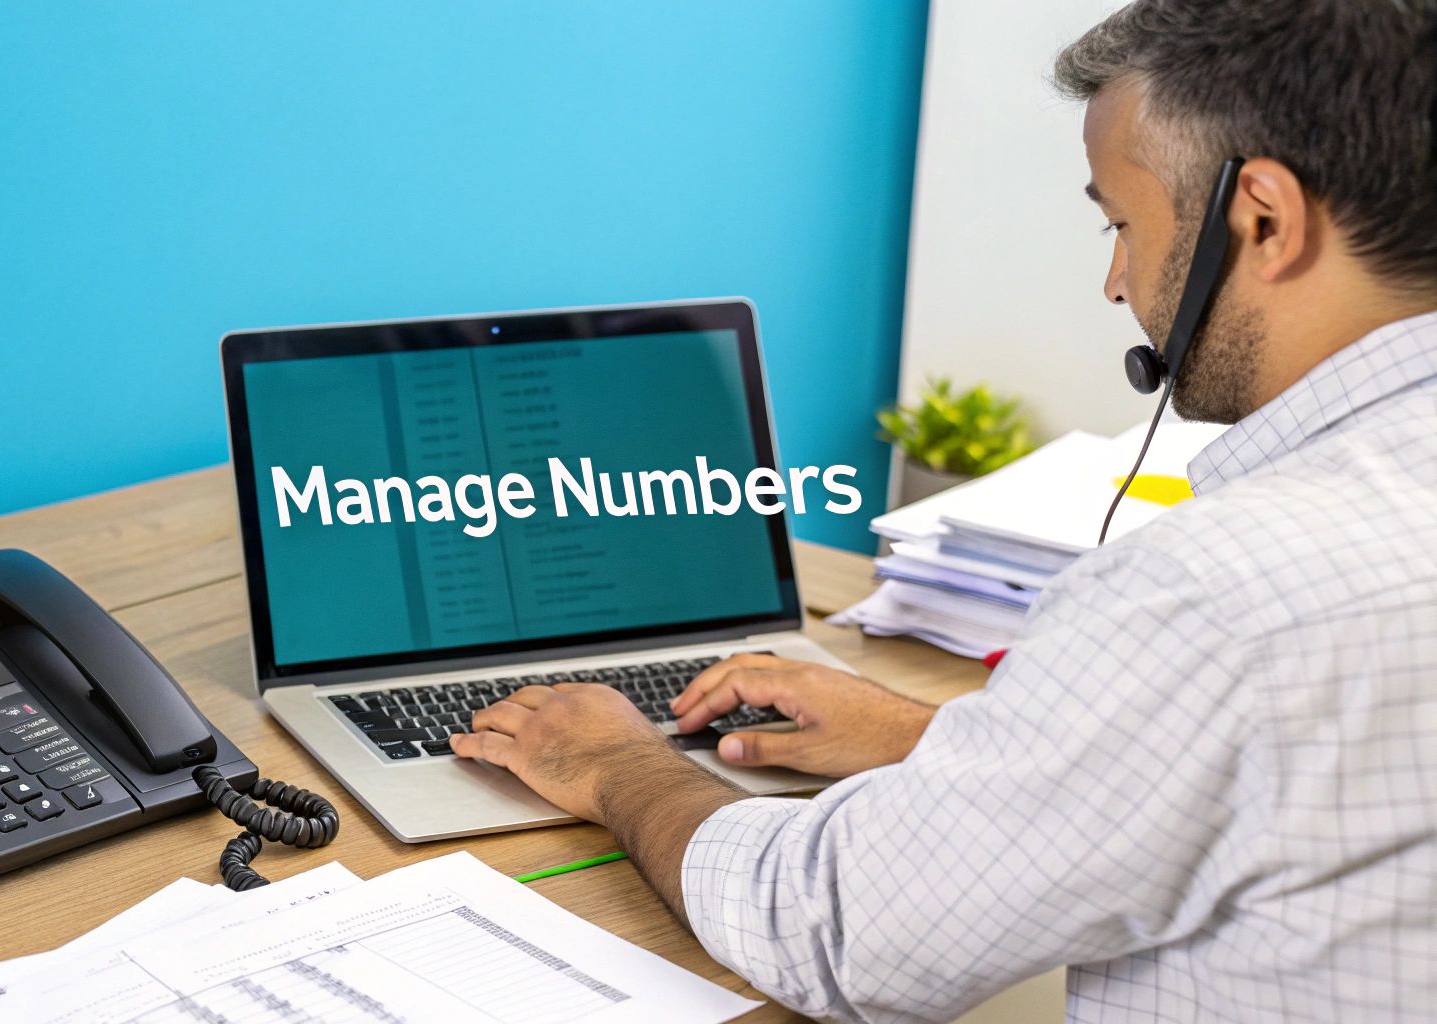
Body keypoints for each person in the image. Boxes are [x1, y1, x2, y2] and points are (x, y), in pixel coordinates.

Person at [449, 2, 1437, 1020]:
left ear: (1260, 220)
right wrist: (944, 739)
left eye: (1122, 224)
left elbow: (828, 926)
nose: (1115, 283)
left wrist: (615, 763)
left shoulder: (1218, 590)